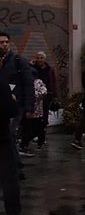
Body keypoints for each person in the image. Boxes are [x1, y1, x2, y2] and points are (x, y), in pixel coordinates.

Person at [0, 31, 35, 181]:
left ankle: (15, 168)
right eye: (1, 42)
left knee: (9, 134)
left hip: (15, 105)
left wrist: (29, 107)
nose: (4, 44)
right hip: (2, 104)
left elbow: (28, 84)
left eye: (6, 42)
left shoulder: (18, 60)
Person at [0, 71, 20, 215]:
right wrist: (12, 100)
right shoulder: (1, 82)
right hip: (1, 140)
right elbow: (11, 110)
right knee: (9, 180)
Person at [31, 51, 57, 149]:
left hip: (46, 96)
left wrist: (54, 95)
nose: (40, 60)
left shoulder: (49, 69)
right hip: (35, 96)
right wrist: (30, 64)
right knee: (36, 116)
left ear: (45, 59)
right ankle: (36, 135)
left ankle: (42, 136)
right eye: (38, 58)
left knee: (44, 116)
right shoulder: (33, 69)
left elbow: (53, 82)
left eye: (41, 58)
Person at [19, 70, 47, 157]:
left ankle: (29, 143)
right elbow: (43, 92)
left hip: (32, 109)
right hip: (32, 110)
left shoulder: (34, 82)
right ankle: (25, 145)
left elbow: (43, 92)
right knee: (31, 128)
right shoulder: (31, 82)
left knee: (33, 128)